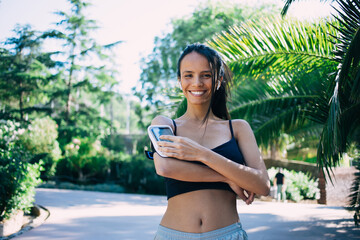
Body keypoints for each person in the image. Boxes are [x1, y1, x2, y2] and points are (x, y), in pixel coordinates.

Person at [148, 43, 270, 239]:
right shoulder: (165, 125)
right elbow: (165, 167)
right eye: (188, 75)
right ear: (180, 80)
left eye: (206, 75)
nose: (197, 82)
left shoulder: (238, 128)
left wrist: (201, 154)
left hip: (227, 234)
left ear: (218, 79)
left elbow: (262, 185)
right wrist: (226, 177)